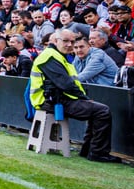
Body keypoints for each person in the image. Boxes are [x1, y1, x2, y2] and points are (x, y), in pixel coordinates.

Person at [29, 31, 119, 163]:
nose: (70, 45)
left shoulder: (57, 55)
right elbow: (66, 84)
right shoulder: (50, 57)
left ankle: (88, 151)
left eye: (72, 41)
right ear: (55, 41)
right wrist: (85, 99)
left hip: (55, 99)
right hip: (52, 101)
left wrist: (84, 99)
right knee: (102, 111)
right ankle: (98, 153)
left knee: (96, 110)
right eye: (66, 41)